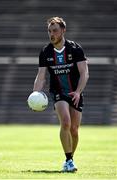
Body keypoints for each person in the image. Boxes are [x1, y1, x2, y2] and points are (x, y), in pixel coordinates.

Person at [33, 17, 89, 172]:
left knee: (74, 131)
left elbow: (84, 73)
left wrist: (78, 92)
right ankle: (69, 160)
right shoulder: (45, 52)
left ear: (63, 30)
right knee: (65, 122)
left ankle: (69, 158)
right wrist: (35, 94)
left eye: (55, 30)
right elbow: (41, 76)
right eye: (49, 31)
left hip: (75, 92)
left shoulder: (75, 48)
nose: (52, 34)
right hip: (57, 92)